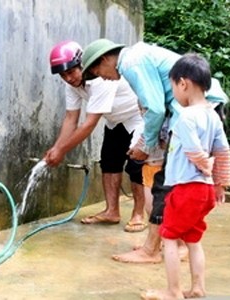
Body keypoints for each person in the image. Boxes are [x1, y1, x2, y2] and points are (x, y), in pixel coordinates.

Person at [81, 39, 229, 263]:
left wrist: (146, 145)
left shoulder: (131, 63)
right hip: (206, 109)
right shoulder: (138, 57)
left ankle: (152, 250)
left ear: (104, 60)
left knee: (166, 182)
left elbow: (155, 108)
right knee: (173, 181)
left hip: (192, 116)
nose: (102, 77)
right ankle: (173, 244)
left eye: (98, 72)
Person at [142, 53, 230, 299]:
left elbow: (194, 150)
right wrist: (219, 183)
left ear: (183, 83)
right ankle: (198, 288)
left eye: (173, 87)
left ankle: (173, 291)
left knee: (168, 237)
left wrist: (204, 165)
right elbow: (223, 151)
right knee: (193, 239)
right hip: (204, 191)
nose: (175, 94)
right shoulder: (213, 115)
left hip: (186, 189)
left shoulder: (185, 117)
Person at [44, 40, 146, 232]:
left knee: (135, 166)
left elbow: (89, 123)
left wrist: (61, 150)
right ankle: (112, 211)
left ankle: (138, 214)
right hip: (114, 120)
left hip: (136, 116)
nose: (68, 78)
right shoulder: (72, 86)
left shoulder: (99, 79)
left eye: (71, 71)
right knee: (109, 161)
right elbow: (70, 119)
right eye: (63, 75)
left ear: (82, 64)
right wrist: (56, 147)